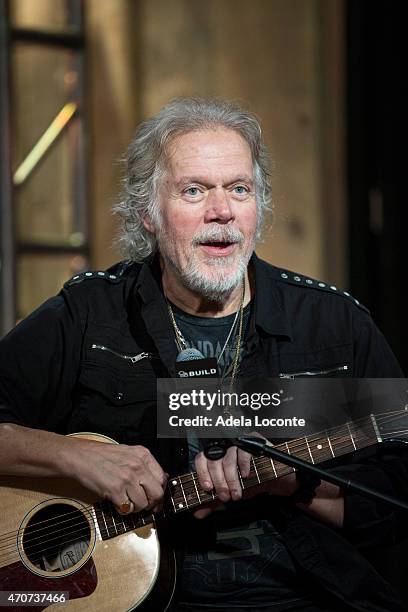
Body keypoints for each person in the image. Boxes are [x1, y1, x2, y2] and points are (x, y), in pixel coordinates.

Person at [0, 97, 406, 611]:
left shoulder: (332, 323)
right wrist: (77, 455)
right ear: (147, 213)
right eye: (193, 191)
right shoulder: (88, 315)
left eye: (239, 189)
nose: (222, 211)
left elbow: (395, 495)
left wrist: (292, 483)